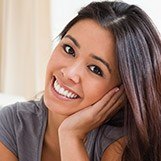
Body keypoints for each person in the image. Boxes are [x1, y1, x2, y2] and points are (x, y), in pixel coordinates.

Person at [0, 0, 161, 161]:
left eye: (95, 69)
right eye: (69, 49)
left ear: (122, 90)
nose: (70, 73)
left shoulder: (120, 144)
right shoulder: (12, 124)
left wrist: (71, 137)